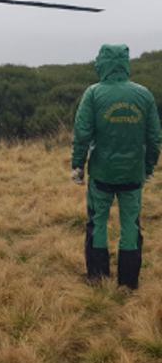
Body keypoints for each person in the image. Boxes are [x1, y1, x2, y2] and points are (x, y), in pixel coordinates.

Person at [72, 44, 161, 289]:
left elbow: (82, 133)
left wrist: (78, 165)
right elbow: (154, 137)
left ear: (102, 63)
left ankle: (98, 277)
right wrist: (149, 167)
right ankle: (128, 283)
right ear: (125, 62)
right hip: (133, 174)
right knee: (130, 224)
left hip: (101, 174)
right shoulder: (144, 95)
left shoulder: (93, 94)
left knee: (97, 222)